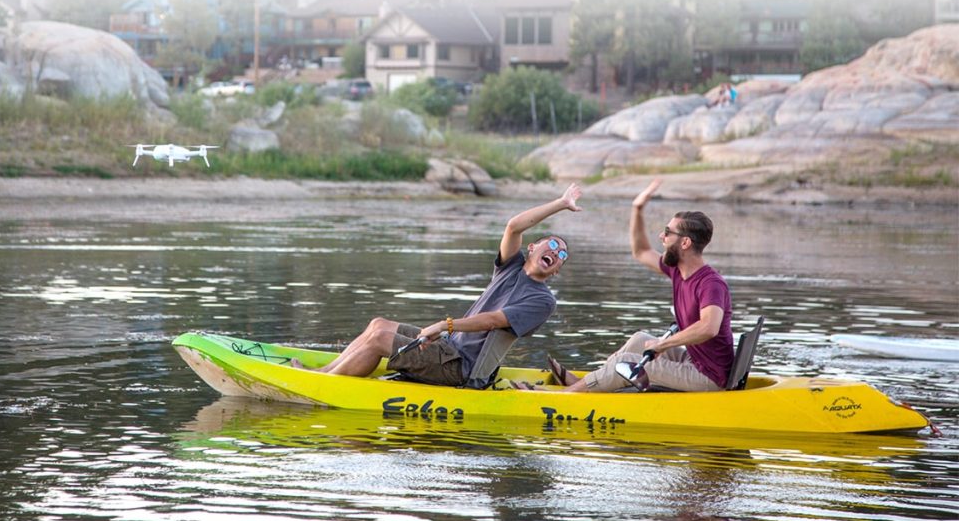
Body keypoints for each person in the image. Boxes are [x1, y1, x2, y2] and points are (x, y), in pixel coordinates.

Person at [298, 183, 583, 388]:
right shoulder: (510, 266)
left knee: (380, 341)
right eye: (554, 245)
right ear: (533, 248)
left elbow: (494, 320)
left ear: (556, 271)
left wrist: (444, 325)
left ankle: (321, 386)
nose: (557, 253)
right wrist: (560, 203)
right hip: (450, 349)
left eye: (562, 256)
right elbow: (513, 226)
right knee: (378, 325)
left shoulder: (543, 301)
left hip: (463, 369)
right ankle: (322, 374)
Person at [546, 178, 733, 393]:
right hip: (694, 362)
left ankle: (568, 395)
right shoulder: (678, 271)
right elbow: (641, 252)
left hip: (708, 377)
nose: (661, 236)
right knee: (640, 340)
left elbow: (708, 327)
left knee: (625, 361)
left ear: (685, 243)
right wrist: (637, 209)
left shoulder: (711, 283)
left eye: (668, 232)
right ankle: (586, 382)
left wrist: (663, 345)